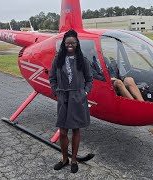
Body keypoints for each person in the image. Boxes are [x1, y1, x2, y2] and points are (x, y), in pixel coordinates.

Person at [49, 30, 93, 173]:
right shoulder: (58, 59)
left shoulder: (82, 59)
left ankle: (74, 159)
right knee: (62, 131)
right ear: (64, 43)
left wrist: (84, 92)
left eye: (73, 43)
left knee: (76, 129)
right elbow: (52, 77)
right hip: (63, 97)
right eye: (68, 42)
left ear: (77, 44)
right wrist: (56, 91)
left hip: (77, 98)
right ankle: (64, 159)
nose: (70, 45)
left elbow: (89, 79)